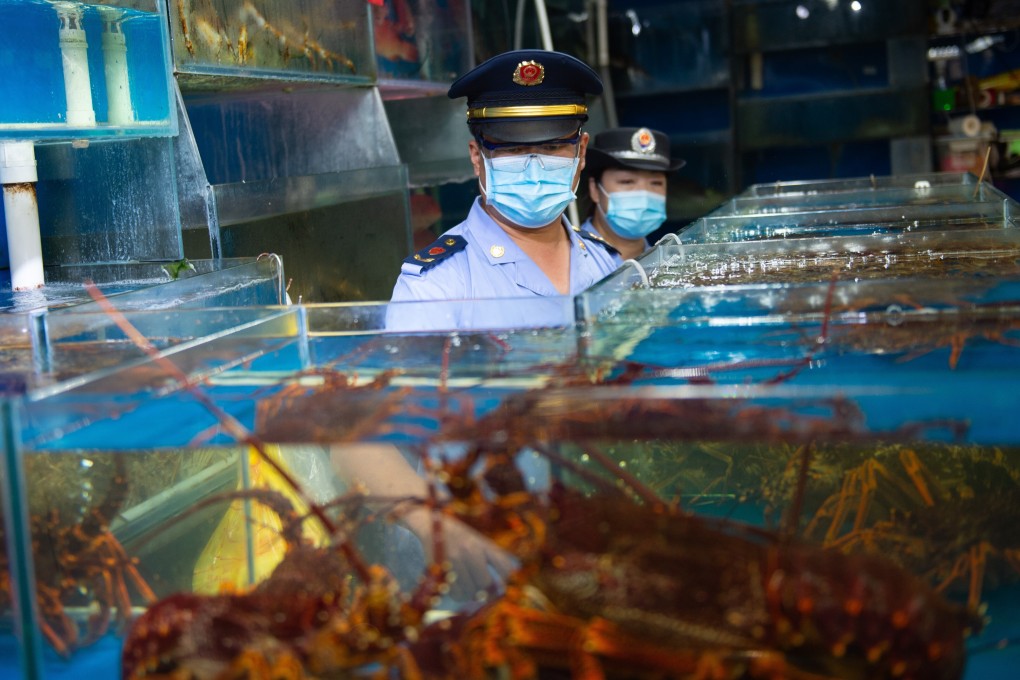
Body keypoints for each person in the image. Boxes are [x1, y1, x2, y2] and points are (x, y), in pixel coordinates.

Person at [388, 49, 623, 331]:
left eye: (552, 147)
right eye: (512, 149)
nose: (534, 168)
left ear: (581, 152)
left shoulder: (605, 260)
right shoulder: (435, 287)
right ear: (477, 157)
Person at [582, 126, 685, 261]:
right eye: (627, 181)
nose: (644, 194)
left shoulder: (670, 261)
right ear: (594, 189)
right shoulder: (572, 258)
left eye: (656, 183)